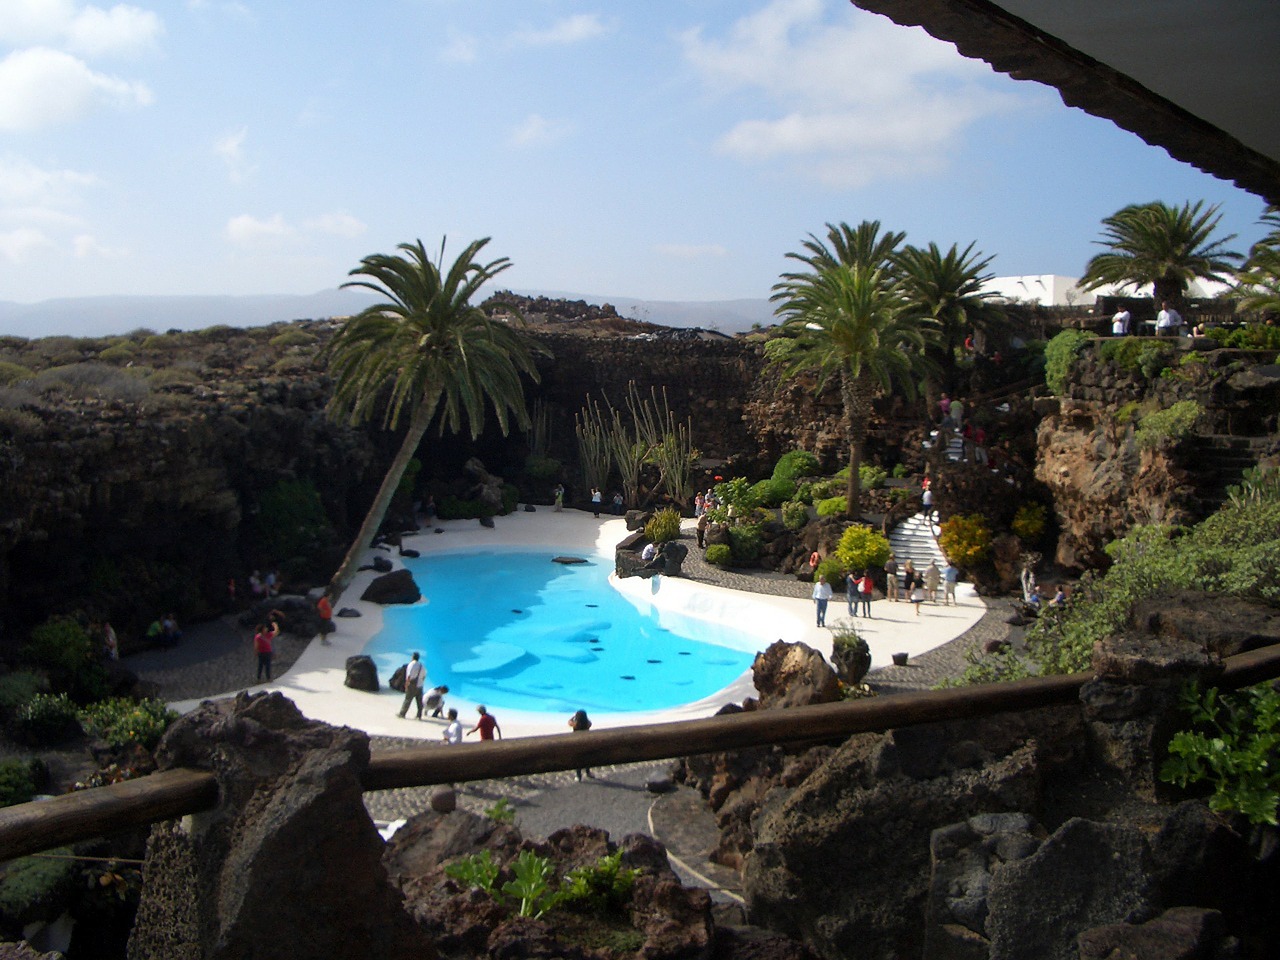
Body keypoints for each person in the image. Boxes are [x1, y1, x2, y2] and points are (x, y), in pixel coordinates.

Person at [397, 651, 426, 719]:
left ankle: (402, 714)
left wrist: (406, 685)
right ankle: (419, 715)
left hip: (412, 685)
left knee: (407, 700)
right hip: (420, 686)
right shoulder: (422, 665)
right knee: (419, 702)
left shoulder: (411, 664)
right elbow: (424, 676)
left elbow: (409, 676)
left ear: (413, 657)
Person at [568, 708, 593, 780]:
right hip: (586, 743)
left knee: (578, 759)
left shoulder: (575, 724)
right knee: (587, 759)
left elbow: (569, 722)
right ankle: (588, 773)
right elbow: (590, 722)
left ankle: (578, 776)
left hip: (577, 743)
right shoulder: (587, 724)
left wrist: (573, 717)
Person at [254, 617, 279, 682]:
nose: (266, 628)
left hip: (262, 653)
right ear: (262, 630)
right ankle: (267, 678)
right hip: (267, 653)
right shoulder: (268, 635)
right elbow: (275, 632)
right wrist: (275, 625)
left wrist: (256, 652)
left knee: (261, 666)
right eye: (265, 628)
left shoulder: (258, 637)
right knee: (266, 666)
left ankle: (259, 678)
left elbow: (256, 645)